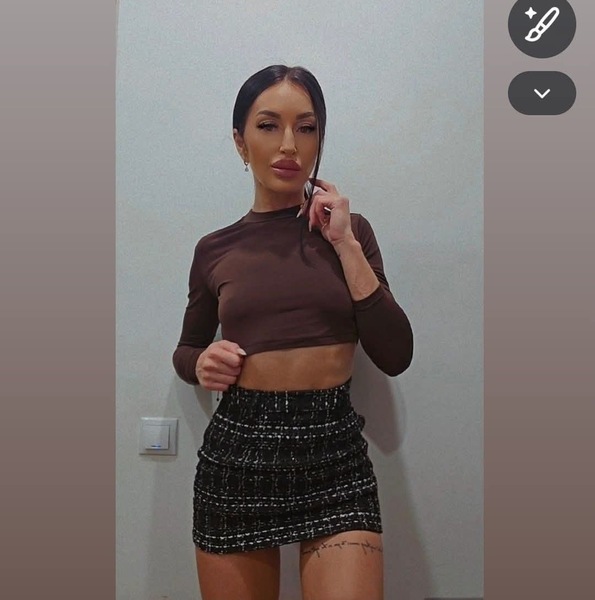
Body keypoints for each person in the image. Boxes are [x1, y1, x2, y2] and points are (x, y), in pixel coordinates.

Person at [173, 64, 413, 600]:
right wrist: (200, 363)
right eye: (268, 126)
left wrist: (344, 244)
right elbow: (187, 349)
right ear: (240, 142)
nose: (289, 145)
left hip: (335, 453)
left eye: (306, 128)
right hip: (239, 454)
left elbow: (396, 354)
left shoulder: (351, 233)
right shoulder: (215, 250)